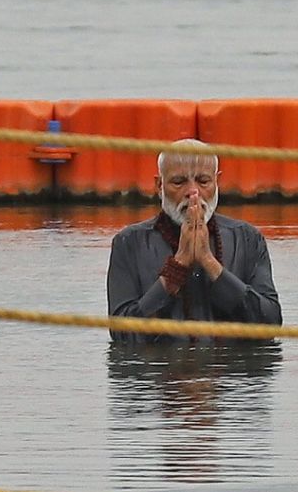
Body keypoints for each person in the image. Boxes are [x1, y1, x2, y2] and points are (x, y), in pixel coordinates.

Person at [106, 139, 283, 343]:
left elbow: (270, 324)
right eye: (179, 182)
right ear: (159, 185)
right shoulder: (129, 243)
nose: (193, 192)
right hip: (160, 372)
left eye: (203, 181)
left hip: (231, 374)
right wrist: (177, 267)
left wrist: (209, 262)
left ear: (217, 183)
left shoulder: (247, 238)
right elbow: (123, 334)